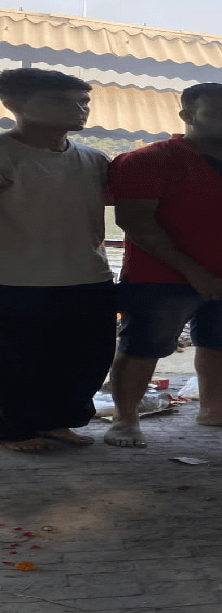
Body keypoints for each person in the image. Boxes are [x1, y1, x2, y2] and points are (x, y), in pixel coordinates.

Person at [106, 83, 222, 448]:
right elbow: (135, 221)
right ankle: (124, 420)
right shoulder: (147, 161)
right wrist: (196, 274)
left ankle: (215, 410)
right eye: (221, 114)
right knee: (142, 347)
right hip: (160, 279)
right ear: (187, 116)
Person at [0, 68, 117, 453]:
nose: (78, 109)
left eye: (83, 102)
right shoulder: (4, 154)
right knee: (16, 363)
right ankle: (14, 431)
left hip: (88, 276)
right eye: (59, 101)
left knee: (85, 360)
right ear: (13, 104)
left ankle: (59, 422)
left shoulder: (94, 159)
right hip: (15, 281)